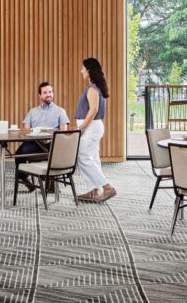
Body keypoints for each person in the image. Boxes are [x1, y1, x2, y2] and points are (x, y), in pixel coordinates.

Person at [15, 81, 69, 192]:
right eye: (45, 92)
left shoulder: (60, 111)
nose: (48, 94)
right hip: (35, 143)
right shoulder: (32, 112)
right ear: (40, 96)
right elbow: (26, 130)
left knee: (54, 151)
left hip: (52, 145)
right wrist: (35, 133)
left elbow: (63, 134)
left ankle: (50, 178)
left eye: (50, 92)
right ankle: (25, 179)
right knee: (18, 154)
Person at [75, 57, 116, 202]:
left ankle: (106, 187)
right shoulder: (95, 87)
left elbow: (93, 110)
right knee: (92, 158)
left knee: (83, 157)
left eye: (83, 68)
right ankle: (93, 191)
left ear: (89, 70)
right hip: (95, 126)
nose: (81, 71)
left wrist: (82, 127)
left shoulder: (92, 88)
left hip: (90, 127)